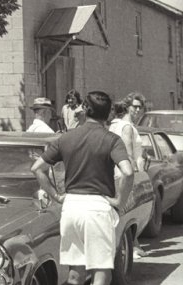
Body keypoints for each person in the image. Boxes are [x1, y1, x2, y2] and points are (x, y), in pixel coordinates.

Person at [31, 91, 134, 285]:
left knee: (74, 274)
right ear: (108, 113)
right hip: (98, 208)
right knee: (102, 273)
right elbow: (128, 172)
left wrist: (57, 196)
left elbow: (37, 168)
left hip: (71, 207)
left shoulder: (66, 138)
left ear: (85, 109)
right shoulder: (112, 140)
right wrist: (120, 201)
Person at [109, 97, 146, 259]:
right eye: (135, 107)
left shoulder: (115, 124)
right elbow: (129, 154)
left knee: (125, 209)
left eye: (140, 107)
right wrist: (136, 175)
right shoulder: (127, 127)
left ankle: (133, 244)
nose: (138, 110)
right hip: (125, 173)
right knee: (129, 209)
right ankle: (129, 246)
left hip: (117, 174)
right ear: (127, 107)